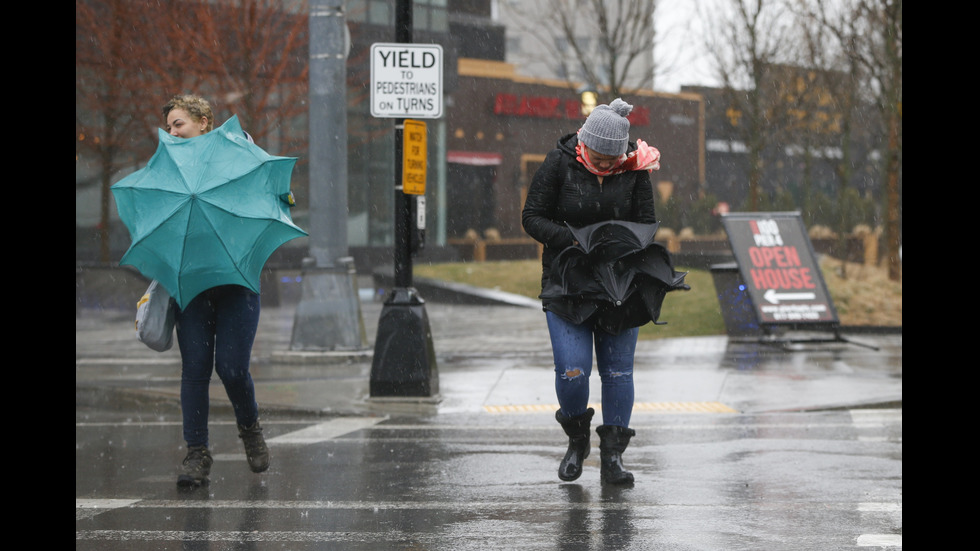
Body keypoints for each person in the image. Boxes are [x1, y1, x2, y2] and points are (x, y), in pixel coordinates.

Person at [521, 98, 663, 485]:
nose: (602, 166)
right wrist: (573, 239)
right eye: (596, 158)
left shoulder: (635, 170)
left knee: (617, 372)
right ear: (583, 142)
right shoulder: (558, 163)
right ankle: (577, 440)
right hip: (567, 283)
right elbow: (531, 217)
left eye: (609, 161)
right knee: (572, 372)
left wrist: (621, 242)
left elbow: (647, 223)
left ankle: (613, 457)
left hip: (619, 284)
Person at [161, 94, 270, 487]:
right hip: (190, 283)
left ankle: (250, 427)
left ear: (204, 121)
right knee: (194, 370)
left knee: (231, 366)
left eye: (179, 124)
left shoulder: (237, 151)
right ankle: (197, 454)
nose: (172, 132)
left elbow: (262, 194)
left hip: (236, 283)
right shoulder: (167, 169)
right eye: (169, 127)